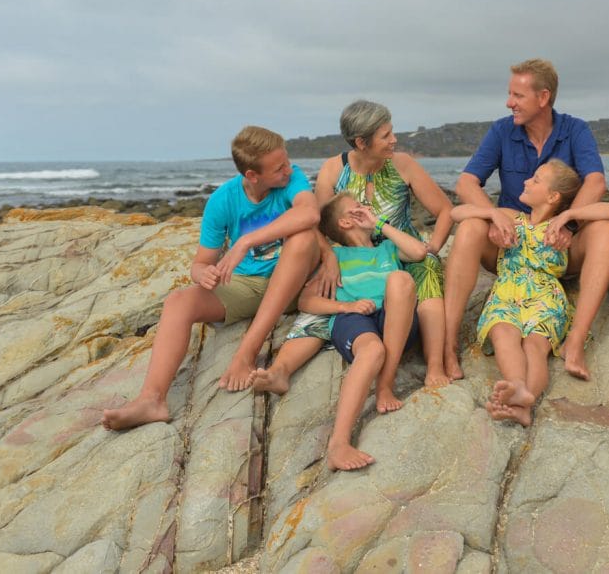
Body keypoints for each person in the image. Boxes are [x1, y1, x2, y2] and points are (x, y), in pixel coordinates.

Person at [102, 126, 320, 430]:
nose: (288, 170)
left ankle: (247, 352)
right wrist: (204, 274)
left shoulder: (292, 179)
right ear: (252, 175)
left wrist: (245, 241)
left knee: (303, 238)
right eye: (278, 167)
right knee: (179, 301)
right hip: (249, 286)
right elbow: (201, 263)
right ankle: (152, 400)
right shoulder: (222, 200)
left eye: (287, 161)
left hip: (298, 284)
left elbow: (310, 215)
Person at [250, 100, 453, 395]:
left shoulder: (403, 163)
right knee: (325, 295)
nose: (394, 140)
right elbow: (318, 222)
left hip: (401, 249)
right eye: (386, 135)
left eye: (391, 132)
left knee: (427, 269)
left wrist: (432, 246)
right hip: (353, 253)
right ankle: (280, 371)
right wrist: (329, 257)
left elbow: (445, 210)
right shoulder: (334, 169)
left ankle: (435, 364)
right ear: (361, 142)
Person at [444, 59, 609, 381]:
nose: (509, 102)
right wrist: (493, 215)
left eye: (518, 96)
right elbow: (466, 183)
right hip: (511, 246)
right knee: (469, 227)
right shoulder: (501, 130)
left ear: (543, 97)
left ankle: (576, 342)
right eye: (510, 94)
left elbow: (596, 182)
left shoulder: (575, 130)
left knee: (606, 231)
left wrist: (568, 225)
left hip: (559, 247)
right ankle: (446, 344)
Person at [453, 160, 609, 426]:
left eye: (536, 180)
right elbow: (456, 214)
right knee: (503, 334)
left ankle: (527, 396)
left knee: (535, 346)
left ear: (553, 197)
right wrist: (492, 214)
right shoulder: (511, 216)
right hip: (505, 294)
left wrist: (568, 216)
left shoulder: (561, 230)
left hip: (545, 297)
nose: (527, 181)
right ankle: (519, 390)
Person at [300, 192, 425, 470]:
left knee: (401, 279)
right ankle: (339, 443)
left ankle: (385, 385)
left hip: (394, 319)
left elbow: (419, 252)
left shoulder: (388, 248)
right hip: (354, 318)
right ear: (345, 222)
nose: (366, 208)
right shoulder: (336, 256)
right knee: (371, 350)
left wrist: (379, 225)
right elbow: (306, 300)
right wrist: (348, 307)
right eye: (358, 207)